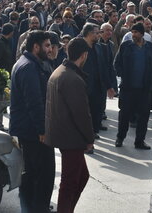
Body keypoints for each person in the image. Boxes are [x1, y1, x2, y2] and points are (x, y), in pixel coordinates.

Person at [45, 38, 95, 213]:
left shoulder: (61, 71)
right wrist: (89, 139)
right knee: (70, 182)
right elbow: (81, 114)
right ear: (84, 55)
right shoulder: (72, 77)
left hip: (63, 133)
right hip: (70, 137)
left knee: (82, 176)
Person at [9, 30, 55, 213]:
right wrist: (42, 130)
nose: (50, 49)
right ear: (36, 47)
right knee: (42, 174)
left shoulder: (30, 63)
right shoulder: (28, 67)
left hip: (29, 129)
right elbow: (34, 102)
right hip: (33, 131)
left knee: (32, 173)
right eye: (47, 45)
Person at [114, 22, 152, 149]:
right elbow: (117, 63)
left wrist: (151, 77)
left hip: (144, 89)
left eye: (136, 32)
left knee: (144, 117)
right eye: (132, 32)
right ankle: (120, 138)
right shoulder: (125, 46)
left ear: (142, 34)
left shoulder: (149, 47)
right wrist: (123, 75)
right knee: (124, 115)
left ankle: (139, 141)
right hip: (128, 88)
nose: (133, 35)